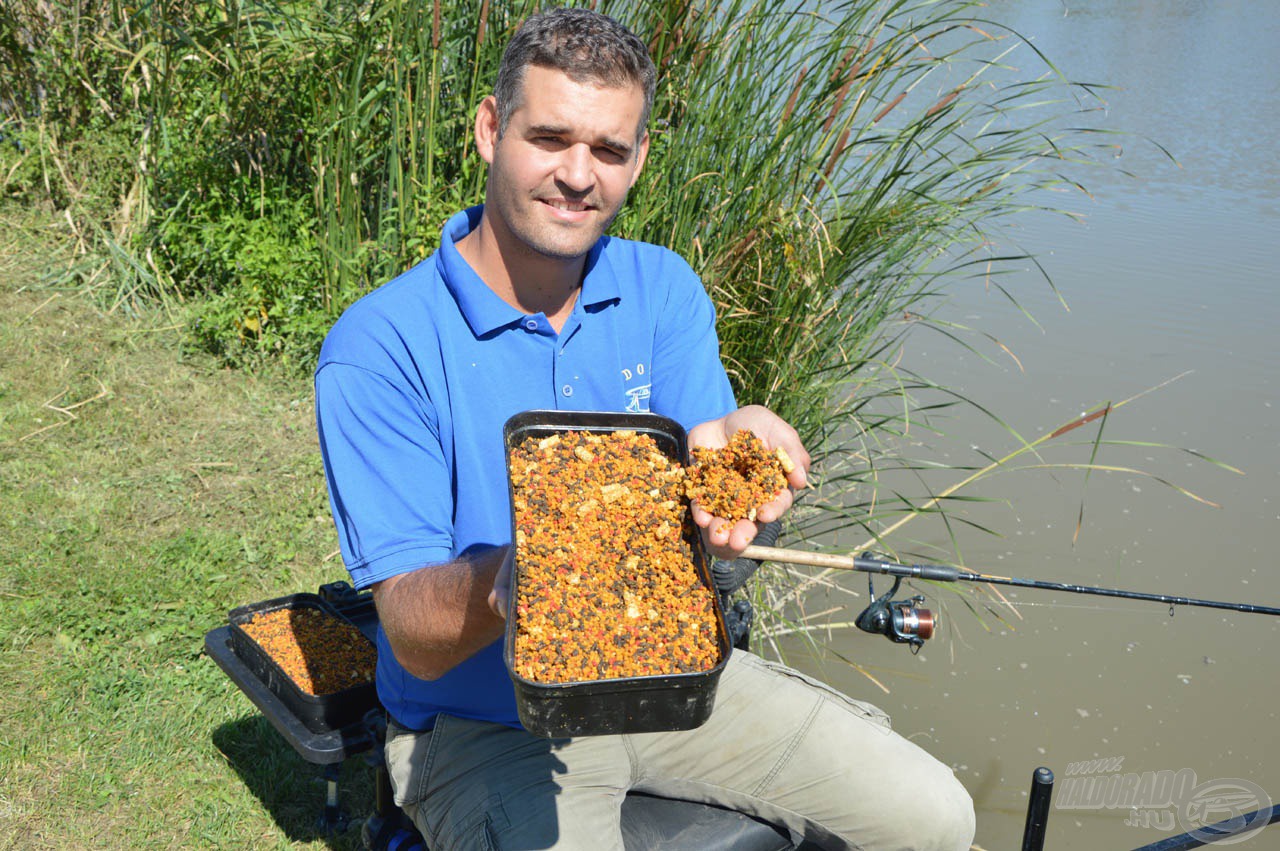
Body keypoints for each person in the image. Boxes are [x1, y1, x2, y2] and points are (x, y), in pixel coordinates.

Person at [315, 8, 974, 850]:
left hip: (674, 678)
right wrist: (518, 581)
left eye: (609, 150)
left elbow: (720, 508)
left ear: (639, 159)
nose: (577, 175)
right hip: (486, 721)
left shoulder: (661, 287)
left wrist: (751, 477)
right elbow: (411, 629)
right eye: (549, 138)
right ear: (490, 129)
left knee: (937, 814)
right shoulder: (380, 345)